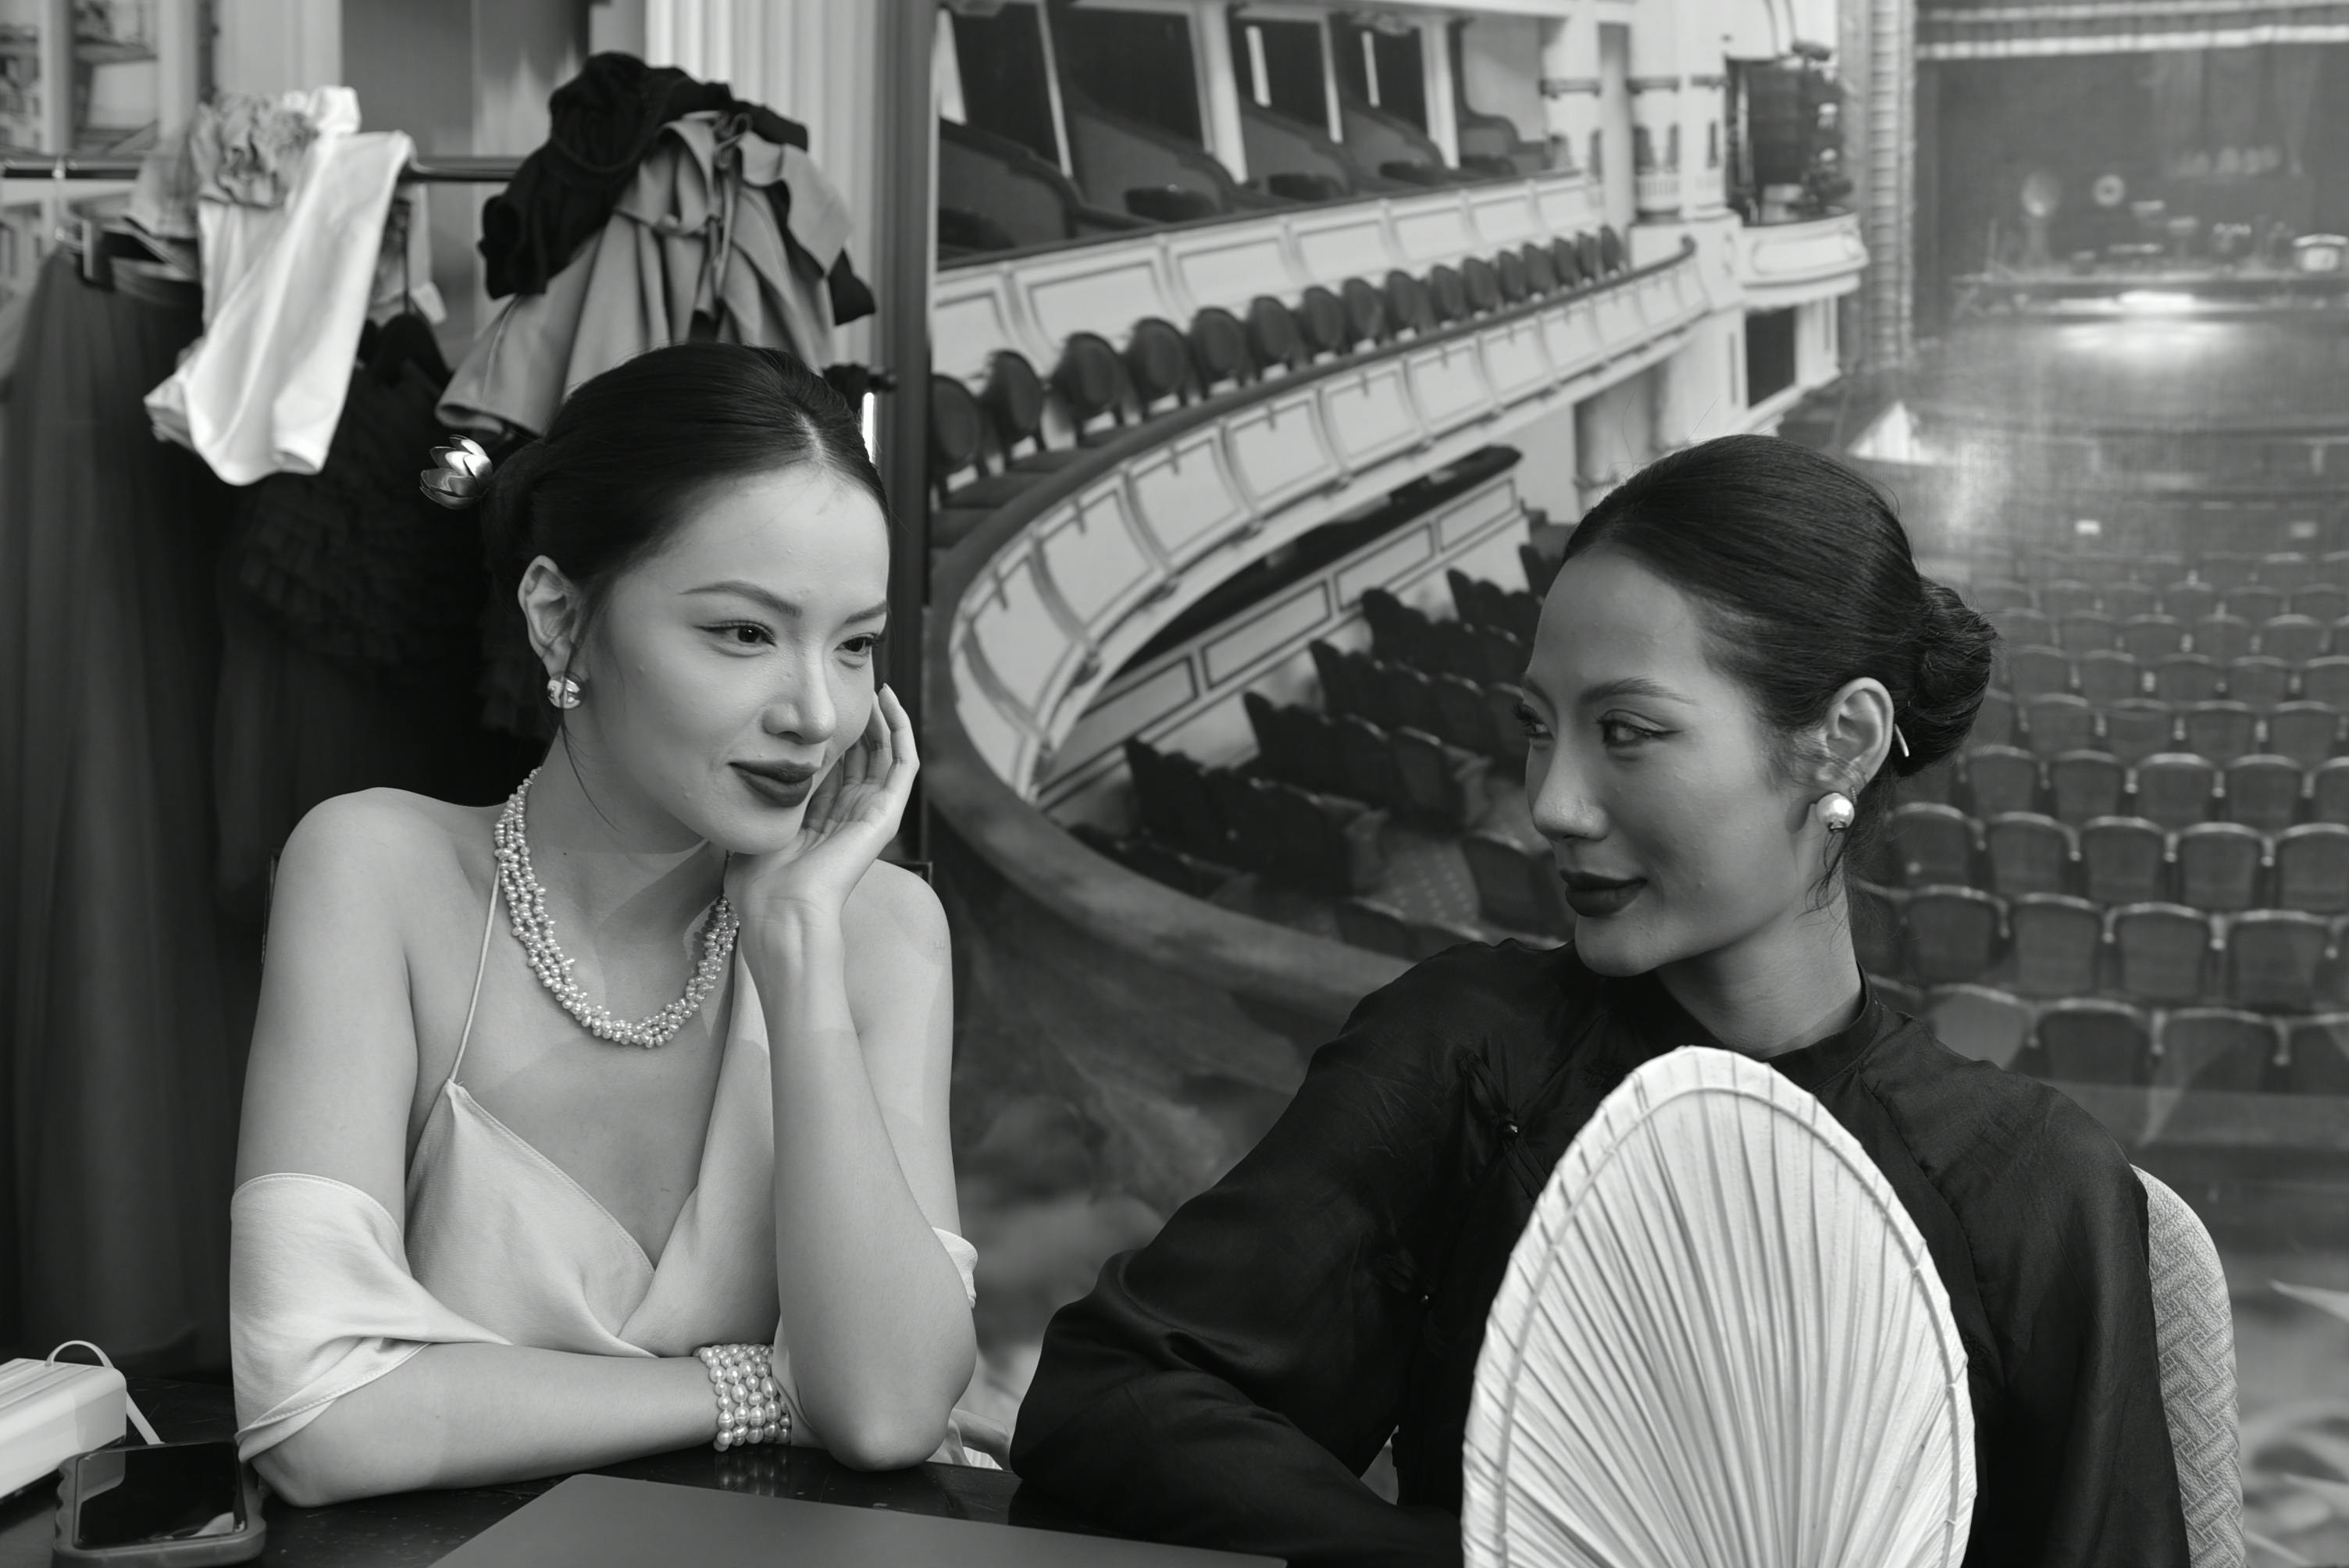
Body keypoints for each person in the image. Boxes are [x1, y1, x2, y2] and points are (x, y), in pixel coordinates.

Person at [1010, 435, 2190, 1567]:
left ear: (1845, 738)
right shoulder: (1468, 1054)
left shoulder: (2036, 1187)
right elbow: (1113, 1401)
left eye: (1627, 732)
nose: (1555, 804)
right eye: (1538, 729)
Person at [229, 344, 986, 1506]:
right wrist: (750, 1386)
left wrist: (794, 946)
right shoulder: (378, 873)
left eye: (854, 642)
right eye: (743, 632)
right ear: (559, 618)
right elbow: (314, 1415)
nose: (817, 712)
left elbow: (885, 1411)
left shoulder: (875, 928)